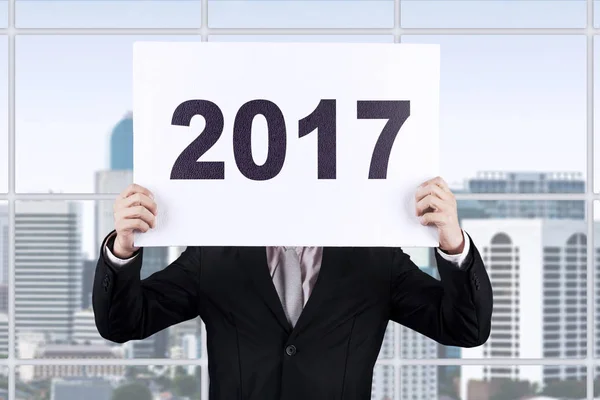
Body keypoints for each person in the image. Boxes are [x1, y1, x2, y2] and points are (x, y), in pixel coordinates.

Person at [93, 176, 492, 400]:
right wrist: (124, 245)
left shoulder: (373, 259)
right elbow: (124, 323)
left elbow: (464, 329)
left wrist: (453, 242)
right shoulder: (215, 255)